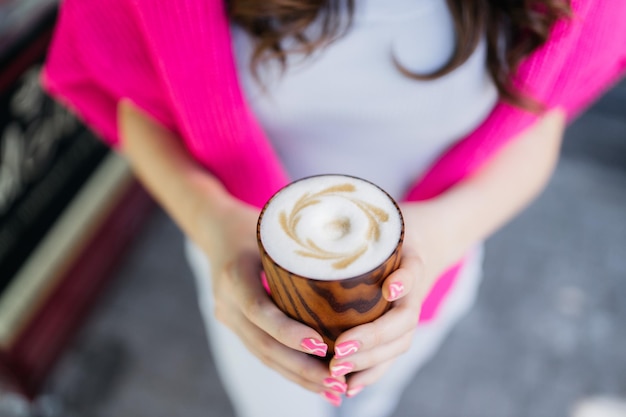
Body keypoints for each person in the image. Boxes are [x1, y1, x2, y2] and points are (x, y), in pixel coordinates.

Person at [42, 0, 626, 416]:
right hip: (249, 277)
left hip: (428, 279)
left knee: (376, 399)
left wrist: (442, 235)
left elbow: (541, 123)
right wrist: (212, 221)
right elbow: (138, 98)